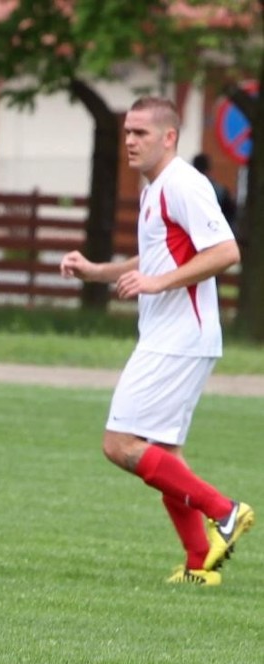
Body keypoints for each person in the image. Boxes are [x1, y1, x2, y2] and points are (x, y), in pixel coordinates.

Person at [60, 96, 255, 587]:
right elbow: (151, 259)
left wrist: (158, 284)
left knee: (120, 443)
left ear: (170, 137)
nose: (129, 140)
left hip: (180, 336)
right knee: (164, 452)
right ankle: (198, 562)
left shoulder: (185, 184)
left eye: (141, 133)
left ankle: (224, 510)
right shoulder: (156, 190)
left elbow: (226, 250)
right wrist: (97, 271)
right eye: (127, 132)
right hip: (173, 335)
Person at [192, 152, 237, 231]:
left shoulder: (187, 189)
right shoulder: (220, 191)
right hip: (215, 233)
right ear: (209, 169)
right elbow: (230, 217)